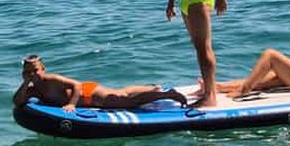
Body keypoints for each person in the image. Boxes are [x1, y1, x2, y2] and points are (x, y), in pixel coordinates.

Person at [12, 55, 187, 112]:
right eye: (28, 72)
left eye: (35, 70)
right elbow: (17, 102)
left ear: (43, 69)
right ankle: (152, 87)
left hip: (90, 94)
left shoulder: (51, 79)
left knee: (127, 100)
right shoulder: (33, 89)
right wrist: (25, 83)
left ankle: (167, 94)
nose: (32, 74)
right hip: (89, 95)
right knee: (121, 92)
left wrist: (71, 104)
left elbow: (76, 85)